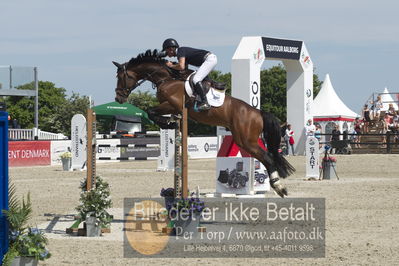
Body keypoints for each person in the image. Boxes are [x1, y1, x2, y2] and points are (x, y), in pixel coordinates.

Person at [162, 38, 217, 111]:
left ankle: (205, 102)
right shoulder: (181, 53)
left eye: (166, 51)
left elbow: (181, 66)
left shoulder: (180, 51)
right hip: (209, 60)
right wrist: (174, 65)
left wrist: (171, 66)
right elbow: (184, 69)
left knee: (196, 79)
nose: (167, 54)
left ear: (170, 49)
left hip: (209, 59)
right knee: (199, 78)